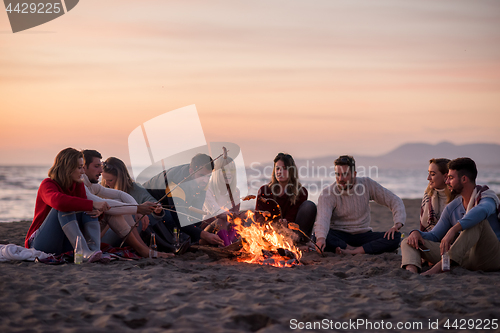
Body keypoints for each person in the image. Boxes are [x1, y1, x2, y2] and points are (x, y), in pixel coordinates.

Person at [401, 157, 500, 274]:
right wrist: (416, 233)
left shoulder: (487, 198)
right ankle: (411, 273)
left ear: (464, 179)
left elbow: (481, 211)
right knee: (409, 240)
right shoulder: (452, 207)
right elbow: (434, 236)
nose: (447, 182)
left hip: (490, 257)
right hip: (463, 257)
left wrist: (454, 229)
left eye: (451, 178)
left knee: (478, 222)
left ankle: (434, 270)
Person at [82, 150, 172, 258]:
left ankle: (145, 249)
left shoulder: (94, 186)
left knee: (121, 207)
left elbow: (121, 194)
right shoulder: (83, 186)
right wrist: (137, 209)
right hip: (90, 237)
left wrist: (139, 209)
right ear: (84, 167)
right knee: (116, 210)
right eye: (97, 166)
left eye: (110, 180)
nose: (101, 171)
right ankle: (144, 250)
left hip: (102, 232)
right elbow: (106, 204)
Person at [25, 148, 110, 262]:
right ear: (68, 168)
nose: (83, 172)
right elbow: (59, 202)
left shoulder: (78, 185)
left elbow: (84, 211)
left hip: (66, 243)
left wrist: (98, 211)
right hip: (40, 243)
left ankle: (94, 250)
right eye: (79, 167)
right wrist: (92, 204)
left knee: (85, 208)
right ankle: (84, 252)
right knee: (64, 206)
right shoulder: (47, 184)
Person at [314, 155, 406, 255]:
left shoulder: (366, 184)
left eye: (345, 174)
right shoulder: (328, 193)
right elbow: (323, 219)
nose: (340, 179)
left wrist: (397, 224)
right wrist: (321, 238)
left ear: (354, 174)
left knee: (396, 237)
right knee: (318, 236)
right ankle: (354, 249)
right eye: (338, 174)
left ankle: (354, 250)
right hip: (339, 235)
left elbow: (395, 200)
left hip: (363, 235)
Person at [143, 153, 224, 246]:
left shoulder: (203, 182)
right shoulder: (176, 184)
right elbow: (180, 220)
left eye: (208, 176)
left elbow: (196, 214)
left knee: (190, 226)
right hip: (151, 198)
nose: (205, 180)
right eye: (201, 175)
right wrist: (205, 235)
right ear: (191, 171)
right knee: (172, 221)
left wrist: (197, 237)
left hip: (171, 198)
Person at [255, 153, 317, 241]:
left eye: (284, 168)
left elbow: (294, 214)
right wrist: (272, 228)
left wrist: (286, 223)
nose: (280, 171)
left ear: (291, 171)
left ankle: (299, 243)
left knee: (309, 206)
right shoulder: (265, 191)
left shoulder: (301, 192)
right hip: (270, 232)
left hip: (293, 232)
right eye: (277, 168)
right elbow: (259, 215)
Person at [201, 156, 241, 246]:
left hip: (227, 229)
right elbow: (216, 212)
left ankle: (230, 243)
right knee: (221, 219)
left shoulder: (235, 191)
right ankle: (226, 246)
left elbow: (236, 215)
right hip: (208, 230)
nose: (229, 173)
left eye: (231, 170)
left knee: (241, 218)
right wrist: (230, 214)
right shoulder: (208, 189)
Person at [420, 158, 455, 232]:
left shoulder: (457, 197)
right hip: (431, 236)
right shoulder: (428, 195)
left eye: (432, 174)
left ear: (445, 177)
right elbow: (423, 225)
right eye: (428, 173)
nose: (428, 178)